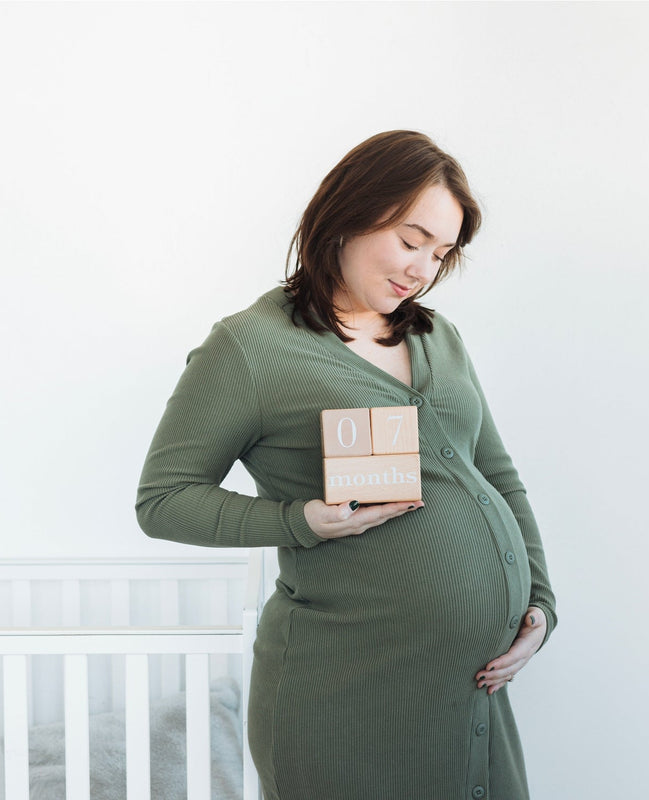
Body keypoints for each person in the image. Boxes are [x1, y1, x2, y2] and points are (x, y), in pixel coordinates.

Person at [136, 130, 556, 800]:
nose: (423, 267)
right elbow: (163, 500)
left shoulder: (435, 334)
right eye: (411, 239)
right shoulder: (250, 348)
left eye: (441, 253)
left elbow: (495, 475)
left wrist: (538, 601)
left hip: (467, 696)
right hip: (344, 700)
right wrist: (301, 519)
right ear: (350, 213)